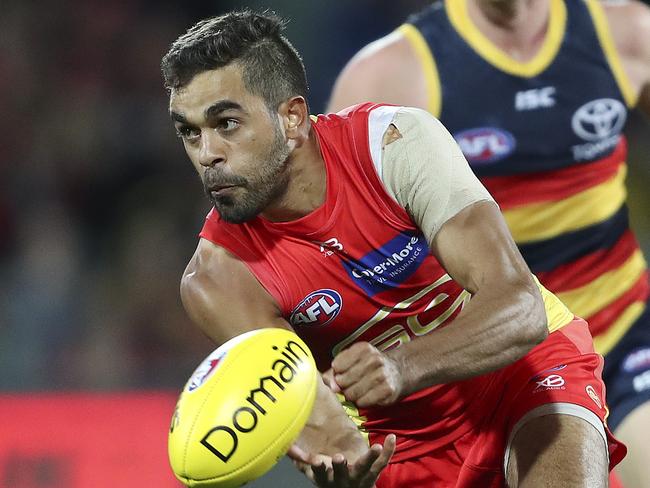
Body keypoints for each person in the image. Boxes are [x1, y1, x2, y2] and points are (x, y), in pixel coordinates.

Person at [161, 10, 625, 488]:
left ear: (292, 118)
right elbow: (333, 433)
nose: (207, 154)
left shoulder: (393, 144)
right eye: (190, 132)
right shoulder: (216, 280)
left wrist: (402, 366)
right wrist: (344, 467)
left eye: (227, 124)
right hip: (401, 443)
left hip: (521, 375)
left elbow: (522, 308)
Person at [327, 0, 650, 486]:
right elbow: (337, 253)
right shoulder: (391, 74)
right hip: (489, 362)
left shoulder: (628, 32)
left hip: (622, 333)